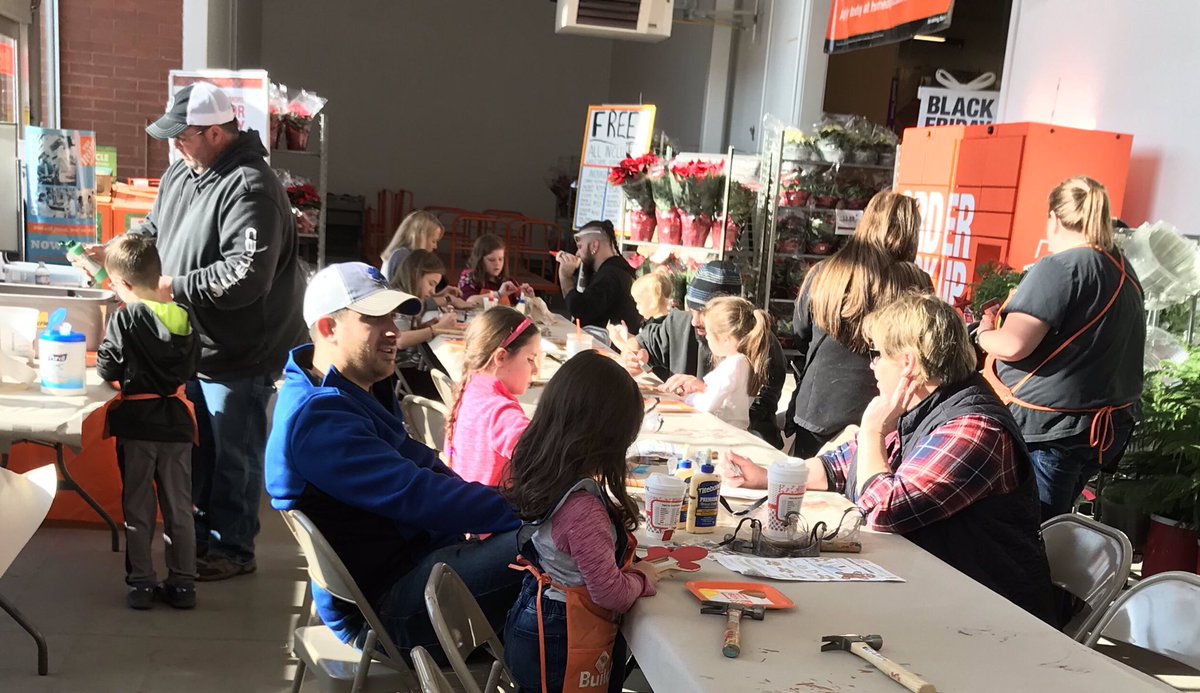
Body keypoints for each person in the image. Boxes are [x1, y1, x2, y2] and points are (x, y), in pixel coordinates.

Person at [79, 82, 305, 581]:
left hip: (241, 349)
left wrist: (169, 287)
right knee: (199, 448)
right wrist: (115, 250)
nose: (175, 145)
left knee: (232, 455)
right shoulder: (182, 172)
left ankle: (232, 549)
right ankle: (198, 540)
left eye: (183, 136)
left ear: (217, 133)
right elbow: (153, 231)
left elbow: (246, 276)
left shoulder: (250, 187)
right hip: (194, 343)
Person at [725, 292, 1055, 623]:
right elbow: (839, 466)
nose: (871, 366)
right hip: (941, 595)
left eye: (876, 354)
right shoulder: (932, 404)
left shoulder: (974, 429)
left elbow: (883, 512)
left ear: (908, 363)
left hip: (992, 617)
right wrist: (768, 476)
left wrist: (872, 430)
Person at [265, 262, 523, 657]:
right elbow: (419, 494)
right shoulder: (319, 419)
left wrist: (515, 505)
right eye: (373, 318)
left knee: (558, 541)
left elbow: (426, 469)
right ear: (328, 328)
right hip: (386, 612)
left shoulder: (346, 391)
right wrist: (528, 509)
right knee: (557, 542)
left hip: (411, 574)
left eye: (392, 316)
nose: (393, 330)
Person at [977, 176, 1145, 521]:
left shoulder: (1061, 267)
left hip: (1051, 431)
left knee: (1034, 530)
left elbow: (1012, 344)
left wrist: (982, 333)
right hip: (1101, 431)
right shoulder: (1124, 270)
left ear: (1054, 218)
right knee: (1055, 526)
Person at [501, 351, 659, 692]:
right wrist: (642, 578)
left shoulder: (548, 477)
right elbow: (610, 594)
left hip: (534, 618)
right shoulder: (583, 510)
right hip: (563, 636)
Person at [96, 234, 200, 610]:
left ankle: (142, 584)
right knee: (179, 507)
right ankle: (183, 584)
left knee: (138, 508)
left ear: (121, 283)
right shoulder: (184, 316)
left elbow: (107, 367)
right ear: (158, 275)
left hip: (137, 425)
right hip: (176, 424)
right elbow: (192, 367)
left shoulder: (124, 318)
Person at [789, 192, 932, 458]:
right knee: (866, 483)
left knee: (805, 480)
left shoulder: (826, 272)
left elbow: (800, 333)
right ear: (910, 231)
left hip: (818, 406)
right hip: (882, 410)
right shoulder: (917, 283)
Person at [626, 260, 787, 448]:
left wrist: (704, 392)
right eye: (691, 310)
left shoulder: (762, 344)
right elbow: (635, 344)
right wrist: (634, 357)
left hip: (738, 444)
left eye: (702, 313)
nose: (694, 321)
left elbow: (754, 414)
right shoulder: (679, 323)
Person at [445, 307, 541, 486]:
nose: (535, 370)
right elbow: (547, 459)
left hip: (464, 497)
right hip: (491, 502)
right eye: (530, 359)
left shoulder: (471, 388)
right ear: (501, 357)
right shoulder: (500, 412)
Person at [683, 297, 772, 431]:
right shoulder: (744, 362)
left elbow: (709, 403)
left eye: (708, 333)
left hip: (724, 431)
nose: (706, 337)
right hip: (734, 431)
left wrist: (690, 399)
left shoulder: (733, 365)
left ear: (725, 339)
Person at [394, 250, 458, 400]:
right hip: (402, 374)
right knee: (455, 392)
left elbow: (405, 330)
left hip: (408, 370)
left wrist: (425, 326)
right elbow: (399, 339)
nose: (433, 291)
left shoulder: (409, 298)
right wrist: (435, 329)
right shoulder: (400, 299)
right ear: (415, 275)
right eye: (431, 284)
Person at [556, 220, 641, 332]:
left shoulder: (609, 277)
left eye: (580, 247)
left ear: (594, 246)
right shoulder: (615, 269)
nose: (577, 253)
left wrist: (565, 277)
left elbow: (581, 311)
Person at [608, 270, 674, 353]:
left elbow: (640, 355)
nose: (636, 307)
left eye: (639, 302)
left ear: (653, 301)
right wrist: (626, 335)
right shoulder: (656, 322)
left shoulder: (658, 329)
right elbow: (641, 342)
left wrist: (617, 340)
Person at [457, 233, 533, 304]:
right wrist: (498, 294)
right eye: (491, 260)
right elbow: (469, 300)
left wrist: (527, 298)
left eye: (500, 259)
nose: (497, 264)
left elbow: (519, 308)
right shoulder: (469, 277)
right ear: (480, 260)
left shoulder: (509, 282)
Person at [380, 210, 443, 283]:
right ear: (420, 238)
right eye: (433, 241)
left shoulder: (401, 254)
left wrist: (439, 291)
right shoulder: (402, 257)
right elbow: (406, 289)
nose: (435, 247)